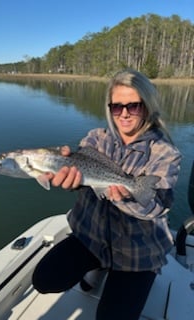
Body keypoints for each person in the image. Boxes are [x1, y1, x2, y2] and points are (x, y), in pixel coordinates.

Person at [32, 69, 182, 320]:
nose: (124, 114)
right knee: (43, 280)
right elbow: (82, 175)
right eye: (117, 107)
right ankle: (99, 264)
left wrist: (125, 196)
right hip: (90, 237)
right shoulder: (96, 138)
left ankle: (137, 275)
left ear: (147, 106)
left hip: (138, 252)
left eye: (133, 106)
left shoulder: (165, 152)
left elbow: (158, 206)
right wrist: (71, 180)